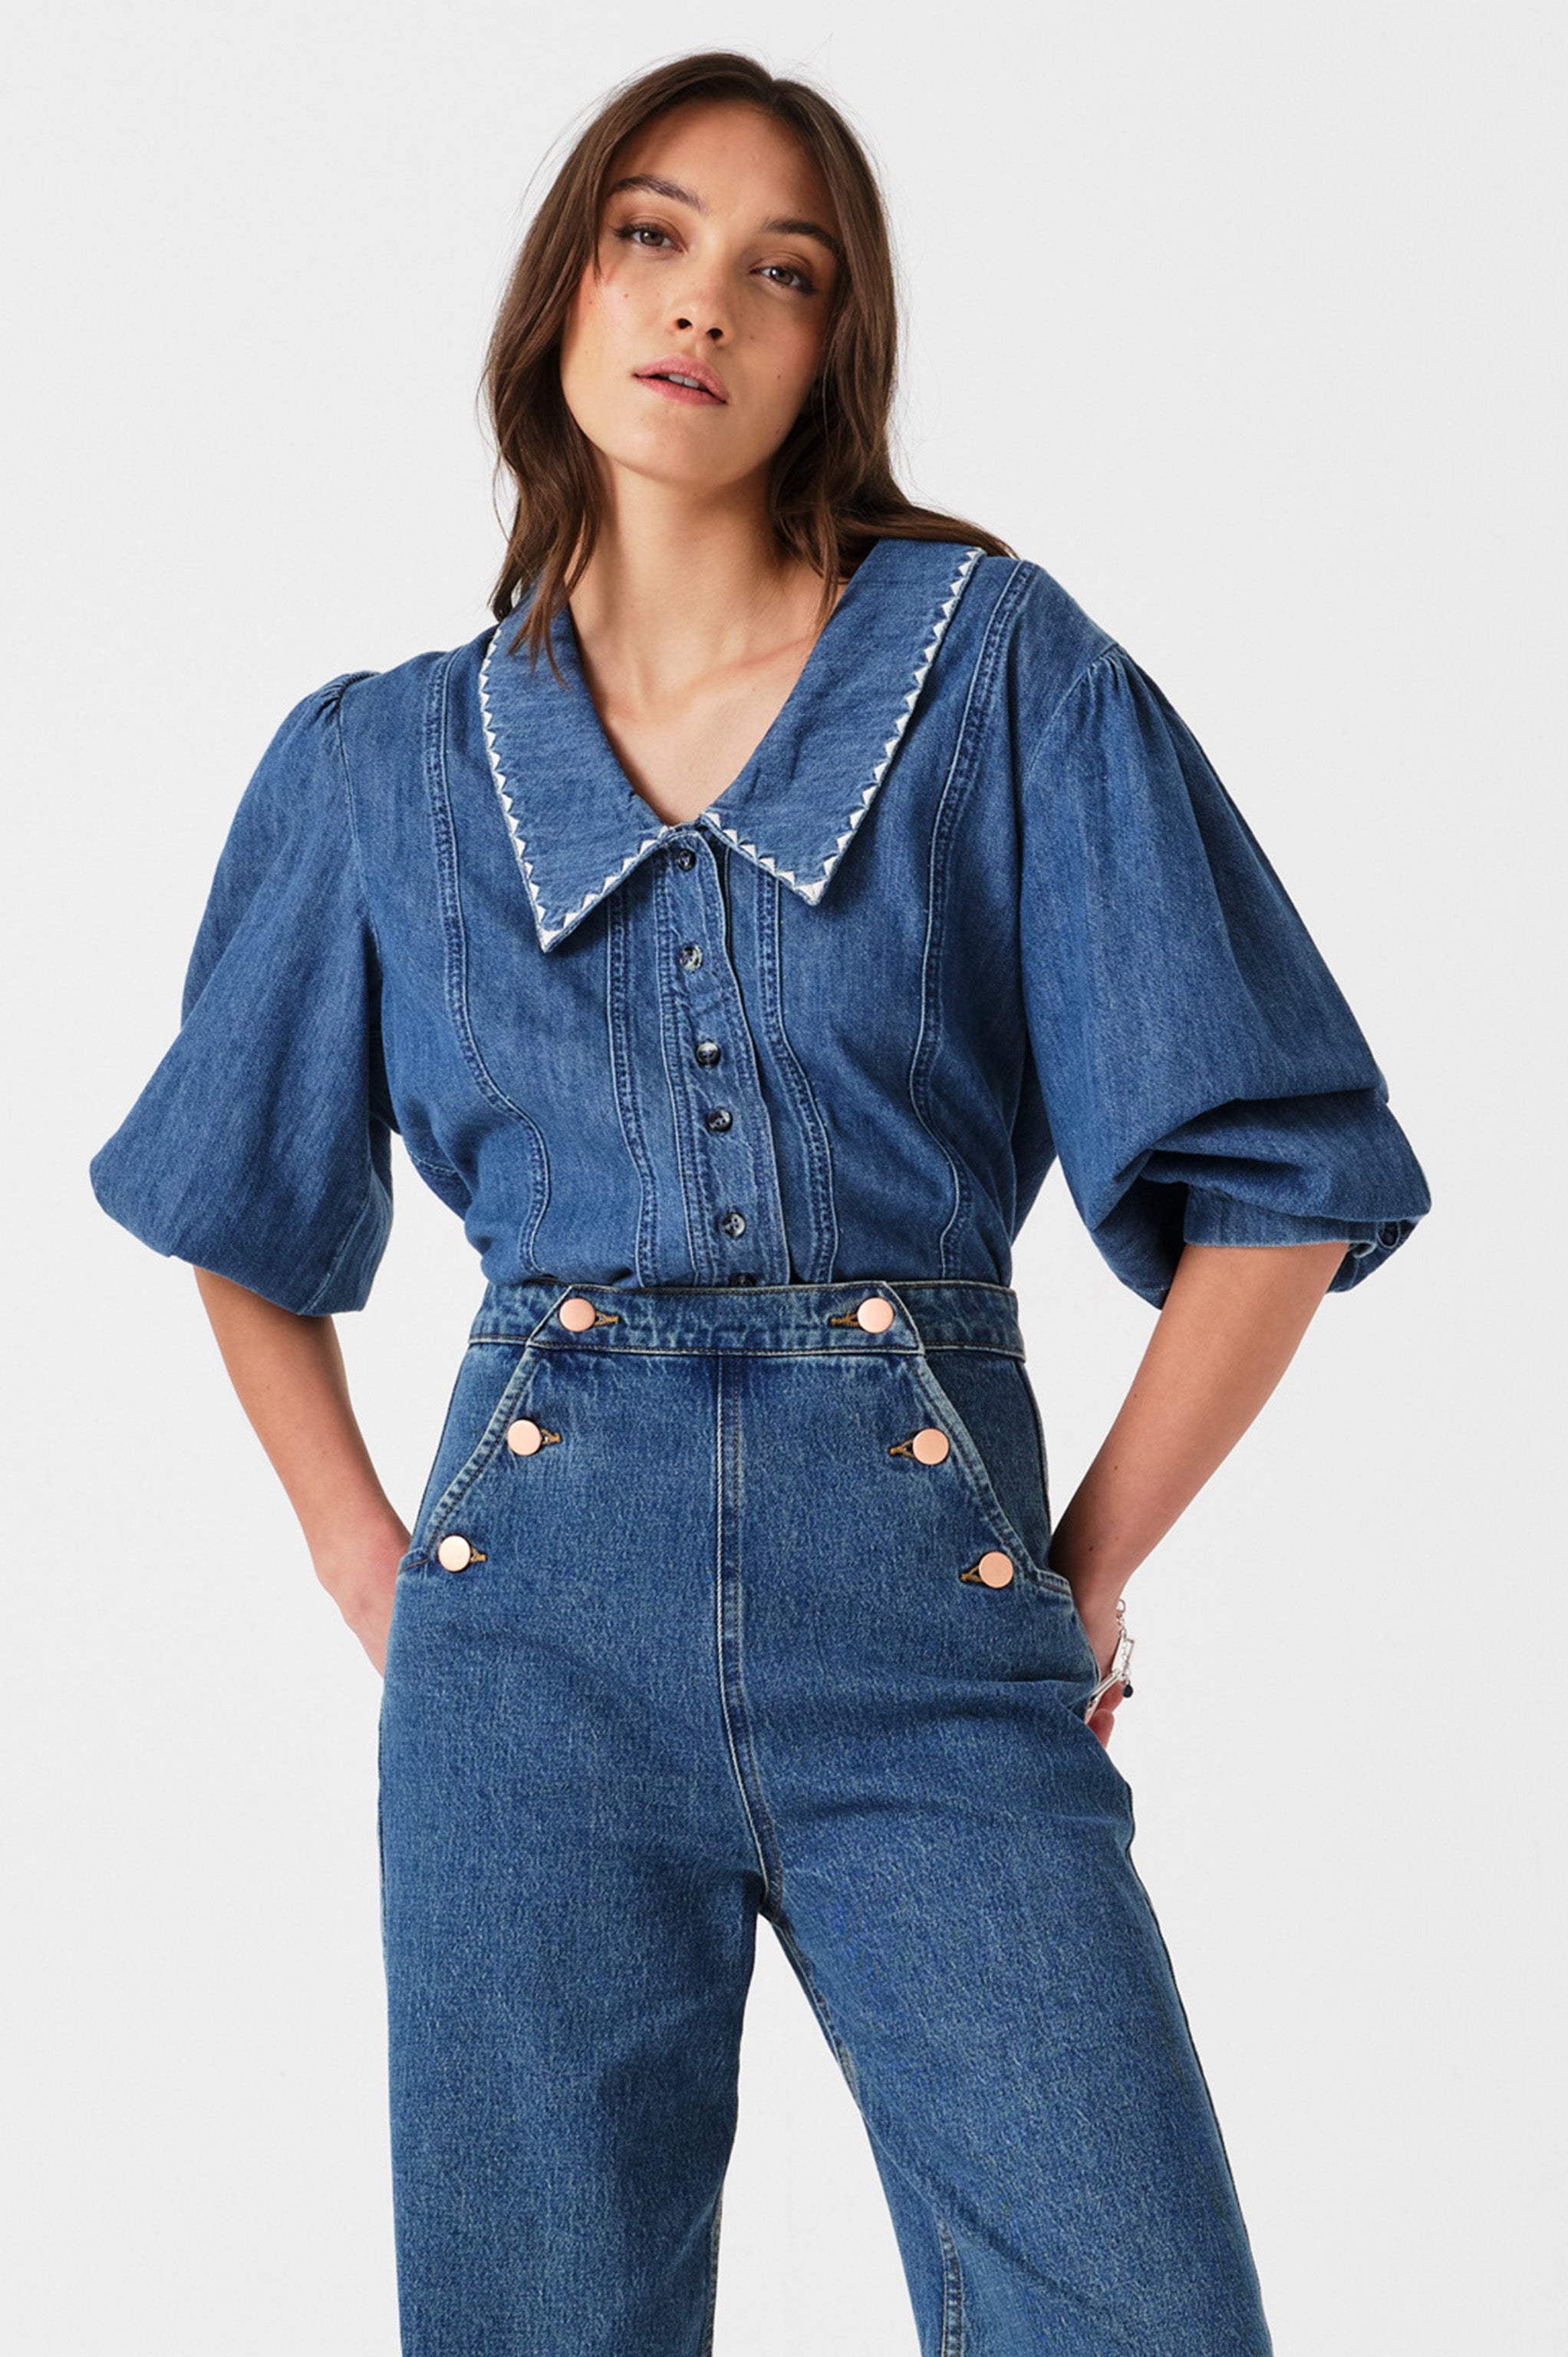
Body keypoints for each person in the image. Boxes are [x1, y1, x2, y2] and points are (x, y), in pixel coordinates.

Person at [88, 48, 1431, 2357]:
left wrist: (1082, 1564)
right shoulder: (383, 762)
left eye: (779, 273)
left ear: (834, 353)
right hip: (526, 1653)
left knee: (1139, 2311)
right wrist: (364, 1567)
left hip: (935, 1628)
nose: (703, 305)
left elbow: (1281, 1178)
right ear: (568, 288)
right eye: (653, 235)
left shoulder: (1000, 676)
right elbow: (240, 1199)